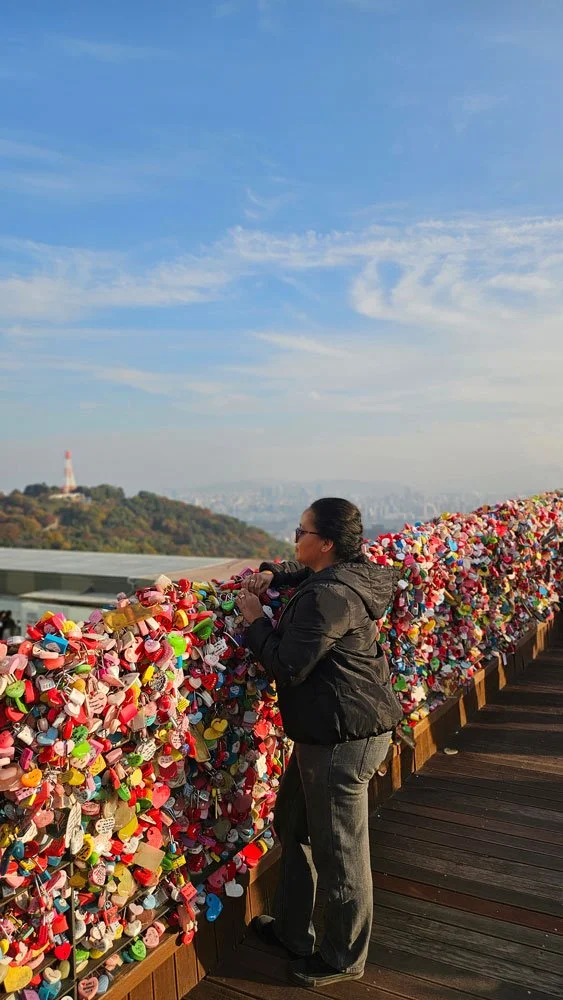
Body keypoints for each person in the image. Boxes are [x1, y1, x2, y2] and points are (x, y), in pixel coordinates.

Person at [237, 497, 403, 988]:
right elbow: (311, 580)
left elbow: (289, 662)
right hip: (332, 729)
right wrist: (276, 573)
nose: (295, 538)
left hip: (342, 736)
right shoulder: (344, 576)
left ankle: (342, 956)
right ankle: (293, 930)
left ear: (325, 542)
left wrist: (253, 620)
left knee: (340, 852)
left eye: (300, 532)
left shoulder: (329, 596)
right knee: (294, 824)